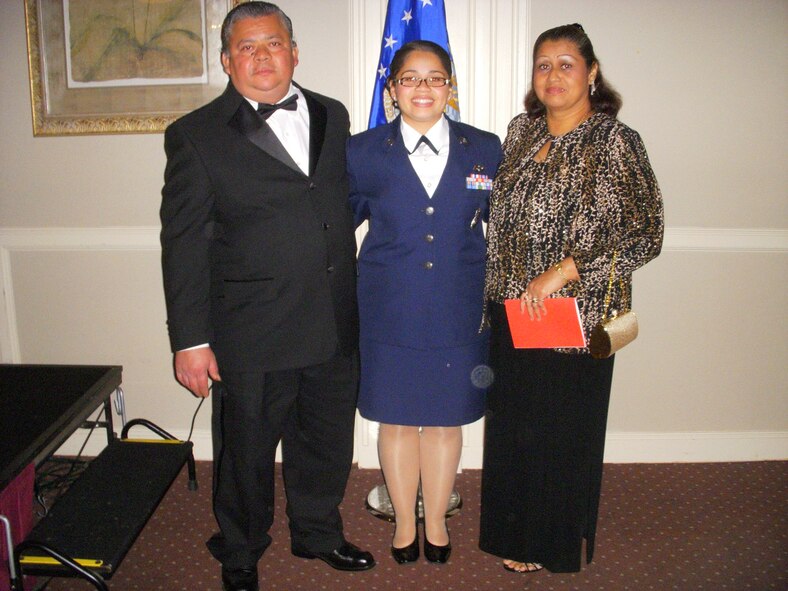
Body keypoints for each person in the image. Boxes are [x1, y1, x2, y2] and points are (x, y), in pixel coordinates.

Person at [159, 3, 374, 590]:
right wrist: (192, 341)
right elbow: (182, 246)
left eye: (273, 44)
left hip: (332, 318)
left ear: (295, 51)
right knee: (246, 454)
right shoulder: (195, 136)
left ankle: (317, 533)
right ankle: (241, 549)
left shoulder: (334, 114)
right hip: (251, 331)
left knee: (326, 441)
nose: (262, 57)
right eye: (247, 47)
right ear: (228, 60)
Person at [479, 24, 664, 574]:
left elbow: (647, 232)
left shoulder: (615, 140)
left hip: (572, 316)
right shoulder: (518, 132)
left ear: (592, 73)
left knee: (560, 431)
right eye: (543, 65)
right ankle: (514, 533)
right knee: (513, 428)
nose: (553, 75)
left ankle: (551, 543)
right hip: (510, 310)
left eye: (566, 63)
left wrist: (565, 270)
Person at [347, 41, 502, 565]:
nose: (423, 88)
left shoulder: (486, 148)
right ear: (391, 90)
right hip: (388, 306)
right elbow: (333, 225)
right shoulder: (362, 152)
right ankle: (404, 524)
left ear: (450, 87)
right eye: (409, 79)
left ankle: (435, 521)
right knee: (395, 420)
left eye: (435, 78)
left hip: (459, 305)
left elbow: (504, 224)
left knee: (443, 420)